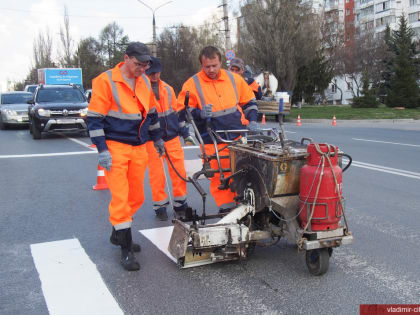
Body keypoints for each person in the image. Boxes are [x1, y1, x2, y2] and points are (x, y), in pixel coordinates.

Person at [87, 42, 164, 271]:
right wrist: (102, 149)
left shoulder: (143, 82)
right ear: (126, 58)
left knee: (136, 196)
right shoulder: (106, 81)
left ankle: (118, 234)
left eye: (146, 64)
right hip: (116, 146)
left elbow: (151, 113)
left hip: (138, 146)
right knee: (120, 197)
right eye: (139, 64)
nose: (143, 69)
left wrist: (157, 137)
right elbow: (94, 118)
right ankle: (126, 249)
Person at [177, 46, 259, 214]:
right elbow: (182, 111)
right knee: (220, 174)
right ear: (201, 64)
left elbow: (249, 101)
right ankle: (227, 209)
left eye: (214, 65)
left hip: (237, 135)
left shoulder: (234, 79)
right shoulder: (192, 84)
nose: (211, 70)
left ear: (221, 62)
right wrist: (199, 113)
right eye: (207, 67)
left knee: (244, 170)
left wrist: (252, 120)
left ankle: (246, 205)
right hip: (210, 137)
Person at [145, 57, 193, 220]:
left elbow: (177, 113)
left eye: (156, 72)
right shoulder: (141, 89)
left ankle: (180, 204)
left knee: (179, 172)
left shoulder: (168, 89)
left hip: (172, 138)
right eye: (151, 73)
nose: (154, 76)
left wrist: (185, 133)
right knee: (157, 175)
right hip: (152, 140)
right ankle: (160, 207)